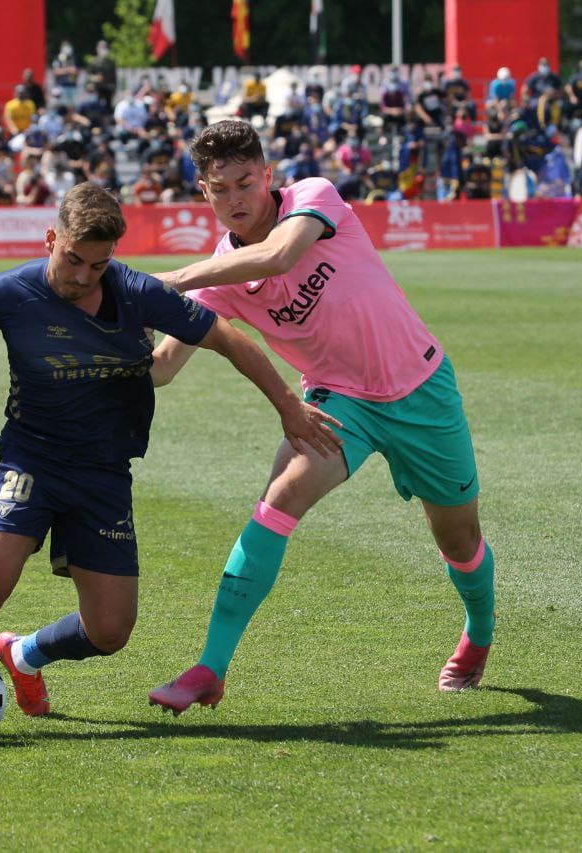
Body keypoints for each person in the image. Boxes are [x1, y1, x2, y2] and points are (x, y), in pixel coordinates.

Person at [0, 183, 341, 742]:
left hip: (105, 471)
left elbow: (227, 338)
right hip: (30, 457)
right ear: (51, 239)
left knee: (110, 632)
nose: (84, 276)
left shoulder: (137, 294)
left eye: (99, 264)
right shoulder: (2, 295)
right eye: (73, 260)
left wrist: (287, 406)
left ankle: (25, 655)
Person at [142, 120, 498, 716]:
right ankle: (211, 667)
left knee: (457, 538)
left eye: (245, 182)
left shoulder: (313, 197)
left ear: (268, 176)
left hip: (422, 388)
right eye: (220, 187)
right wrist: (103, 337)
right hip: (339, 401)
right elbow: (161, 370)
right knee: (280, 498)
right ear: (202, 192)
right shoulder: (220, 280)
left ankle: (478, 632)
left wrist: (169, 280)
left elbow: (280, 255)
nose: (235, 199)